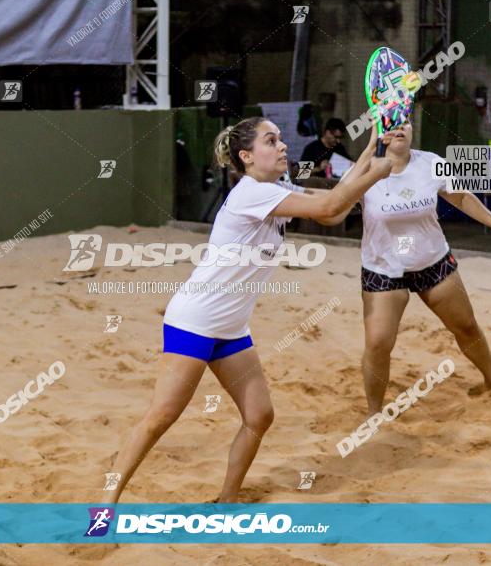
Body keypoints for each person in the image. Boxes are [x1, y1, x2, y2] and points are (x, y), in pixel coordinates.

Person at [102, 117, 392, 503]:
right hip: (195, 321)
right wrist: (377, 174)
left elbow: (333, 210)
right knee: (160, 418)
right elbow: (331, 203)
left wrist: (372, 151)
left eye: (281, 139)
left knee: (259, 415)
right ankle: (104, 505)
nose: (283, 146)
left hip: (231, 328)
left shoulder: (275, 189)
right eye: (271, 140)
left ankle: (227, 500)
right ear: (247, 156)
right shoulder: (252, 193)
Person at [358, 119, 491, 417]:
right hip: (383, 270)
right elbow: (332, 207)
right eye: (392, 123)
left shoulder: (430, 163)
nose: (400, 127)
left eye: (406, 121)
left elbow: (461, 196)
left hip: (432, 262)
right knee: (377, 344)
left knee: (466, 327)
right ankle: (374, 413)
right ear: (380, 131)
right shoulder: (365, 170)